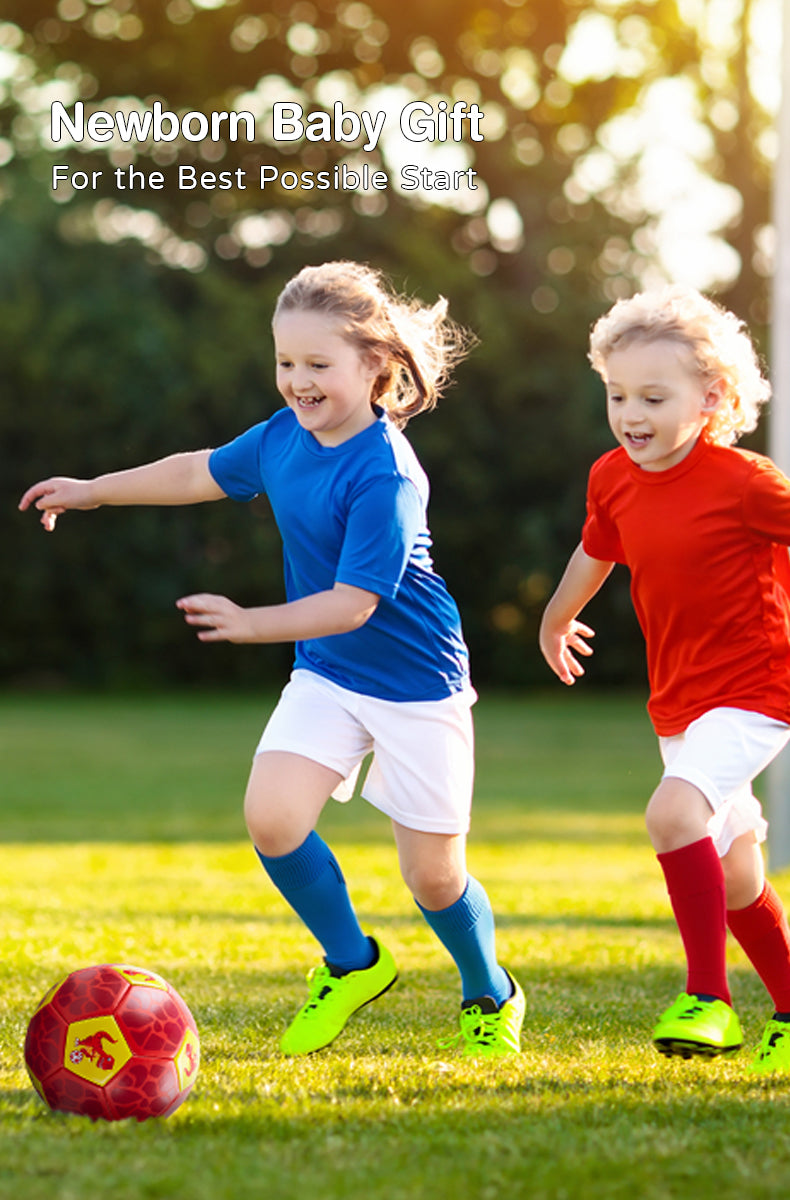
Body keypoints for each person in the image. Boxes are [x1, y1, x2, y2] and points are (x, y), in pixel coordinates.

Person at [19, 260, 524, 1058]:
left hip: (416, 685)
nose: (298, 381)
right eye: (286, 362)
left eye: (318, 364)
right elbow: (198, 469)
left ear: (376, 366)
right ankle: (353, 963)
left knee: (432, 879)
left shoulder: (386, 474)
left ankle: (488, 991)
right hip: (329, 671)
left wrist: (254, 623)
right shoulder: (284, 438)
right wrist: (94, 489)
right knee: (274, 818)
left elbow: (356, 602)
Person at [539, 284, 790, 1072]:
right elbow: (598, 549)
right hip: (678, 703)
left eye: (653, 395)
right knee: (738, 870)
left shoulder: (746, 483)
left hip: (758, 691)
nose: (630, 412)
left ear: (710, 397)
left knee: (672, 815)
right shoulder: (612, 476)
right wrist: (553, 617)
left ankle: (708, 1000)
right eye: (617, 395)